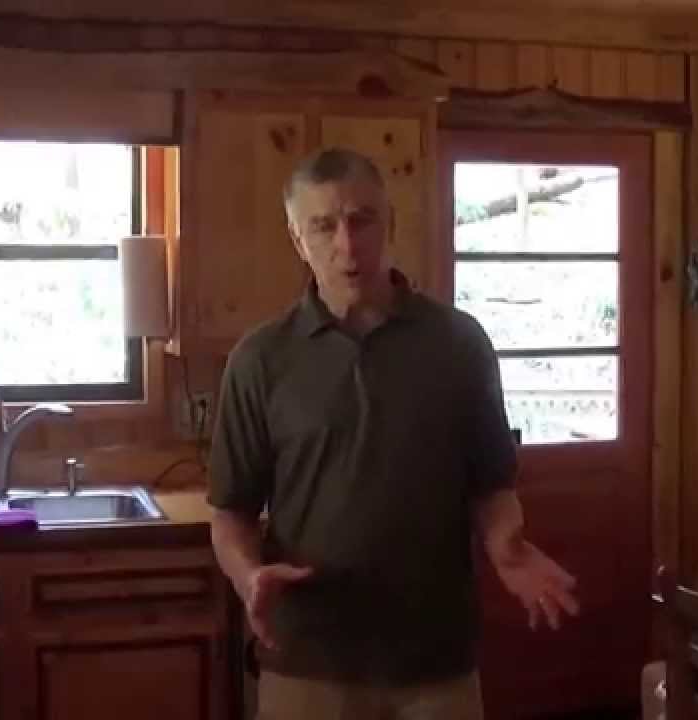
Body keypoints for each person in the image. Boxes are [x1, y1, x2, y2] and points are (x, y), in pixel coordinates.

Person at [208, 148, 579, 720]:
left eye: (361, 220)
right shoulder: (260, 360)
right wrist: (247, 575)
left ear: (391, 222)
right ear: (297, 238)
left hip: (435, 661)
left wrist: (508, 549)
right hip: (309, 659)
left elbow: (492, 485)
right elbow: (230, 513)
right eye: (323, 226)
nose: (347, 245)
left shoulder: (459, 344)